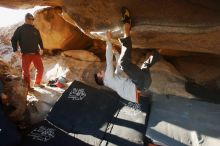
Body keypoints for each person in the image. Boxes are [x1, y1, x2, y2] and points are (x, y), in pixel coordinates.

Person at [94, 7, 161, 103]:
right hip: (140, 84)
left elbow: (118, 66)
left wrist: (115, 52)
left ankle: (158, 52)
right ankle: (127, 25)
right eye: (100, 73)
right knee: (124, 63)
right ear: (102, 78)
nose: (101, 71)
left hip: (145, 84)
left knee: (145, 65)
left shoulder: (113, 79)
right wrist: (108, 41)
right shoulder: (107, 79)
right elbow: (109, 61)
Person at [11, 13, 45, 91]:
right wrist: (15, 50)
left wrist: (42, 48)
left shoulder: (35, 30)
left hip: (36, 53)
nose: (31, 20)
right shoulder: (20, 29)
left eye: (32, 19)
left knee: (41, 69)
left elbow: (40, 40)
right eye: (29, 19)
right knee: (26, 72)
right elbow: (14, 39)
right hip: (25, 54)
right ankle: (27, 87)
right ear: (26, 19)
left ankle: (37, 83)